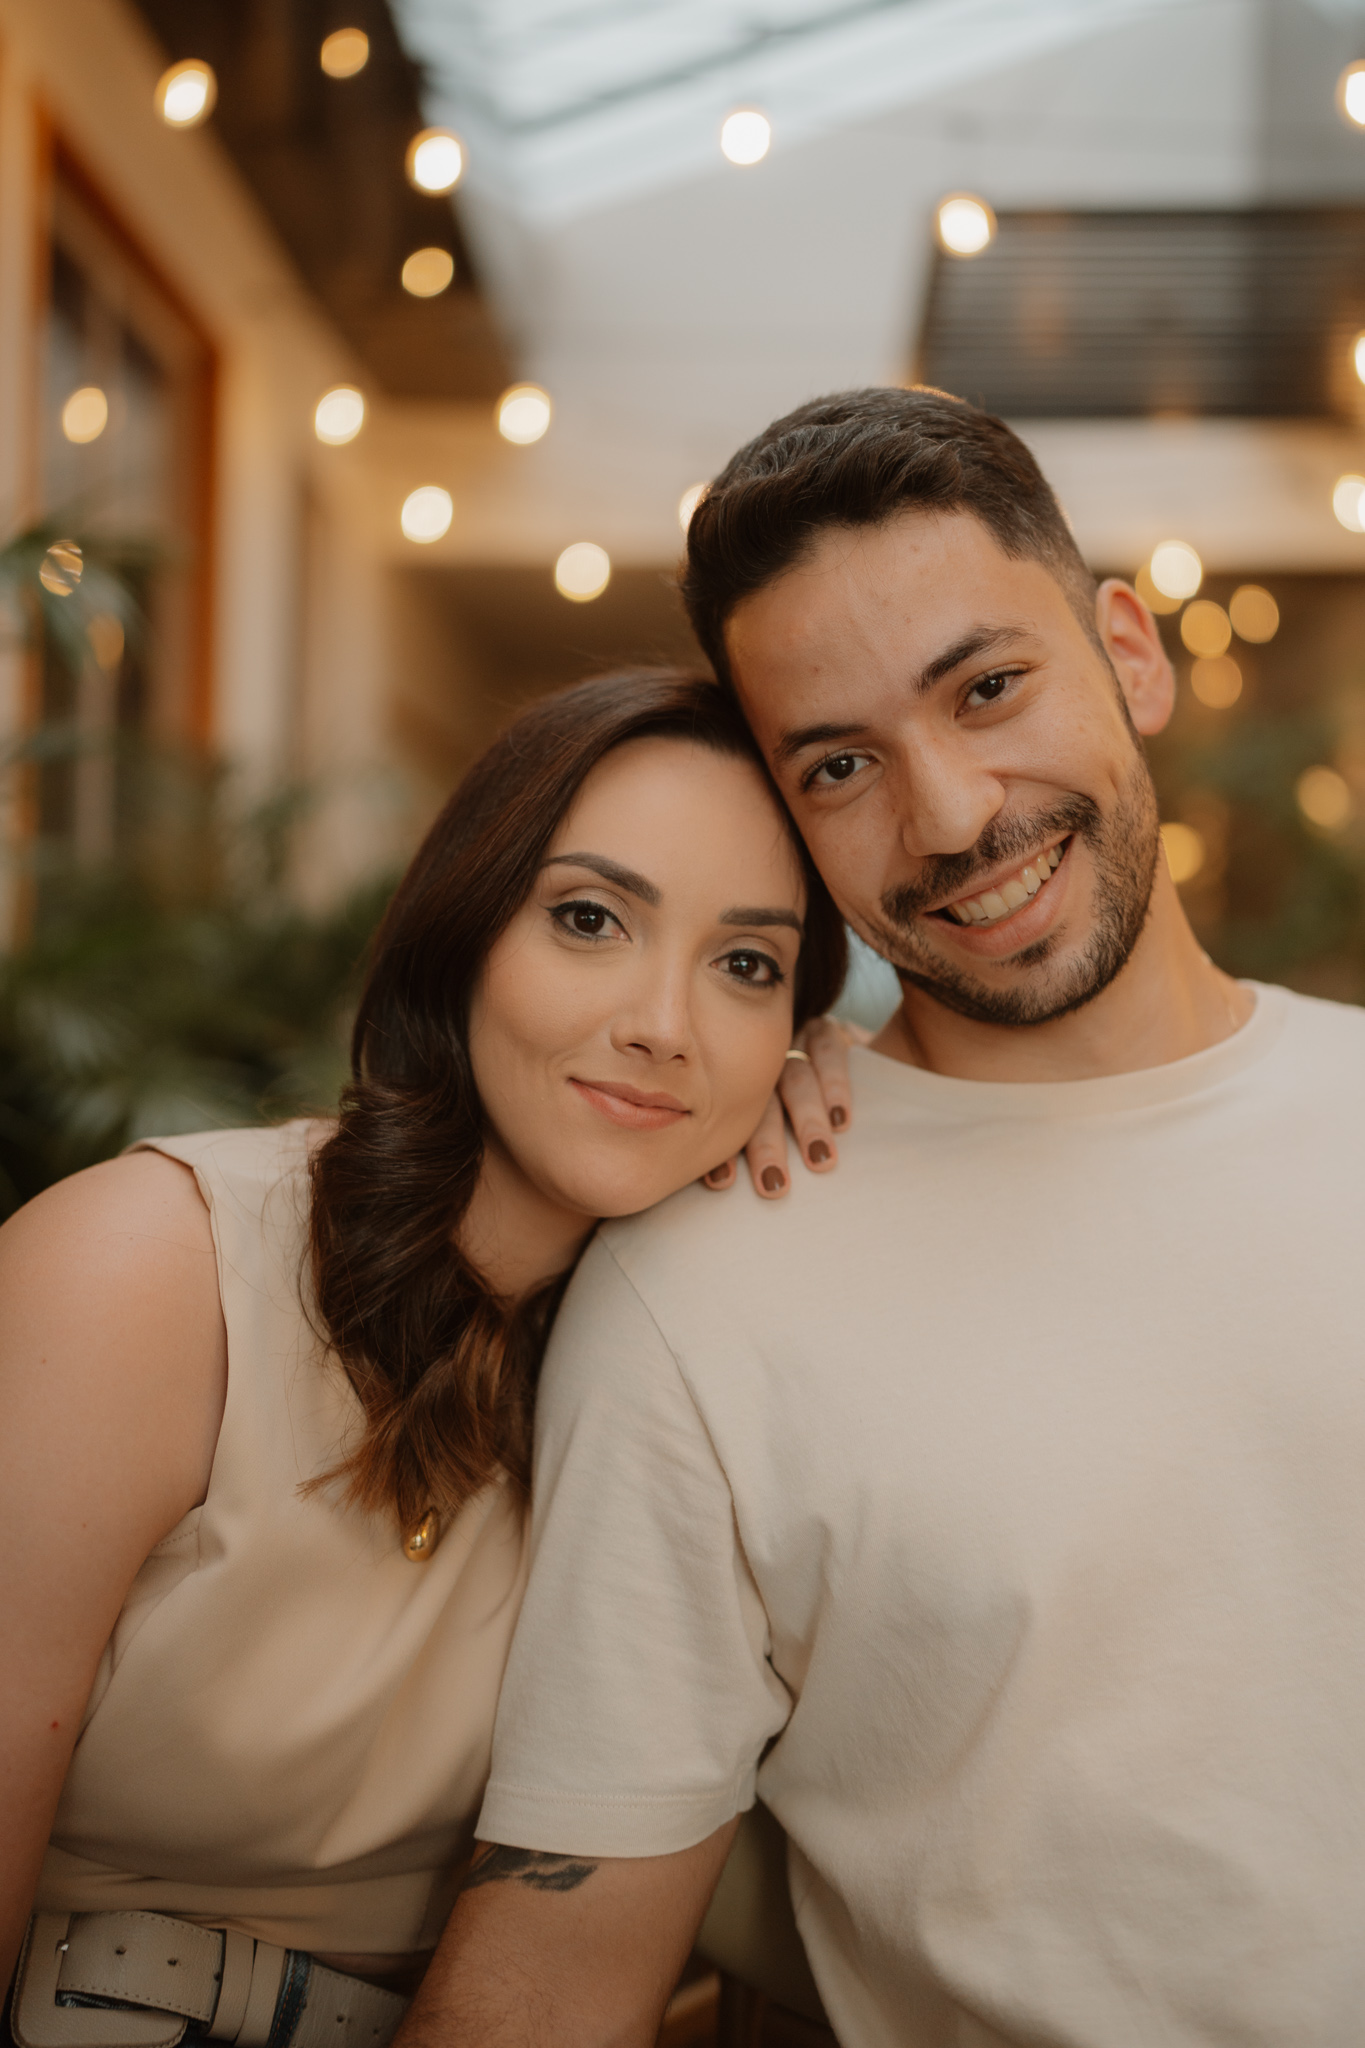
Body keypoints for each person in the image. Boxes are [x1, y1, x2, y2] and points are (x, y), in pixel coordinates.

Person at [396, 387, 1365, 2048]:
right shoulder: (708, 1280)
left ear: (1128, 657)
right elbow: (556, 1973)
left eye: (987, 689)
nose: (952, 816)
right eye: (839, 765)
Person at [0, 671, 855, 2048]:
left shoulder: (698, 1367)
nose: (665, 1024)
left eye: (746, 966)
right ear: (461, 931)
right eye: (590, 919)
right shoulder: (148, 1275)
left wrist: (871, 1148)